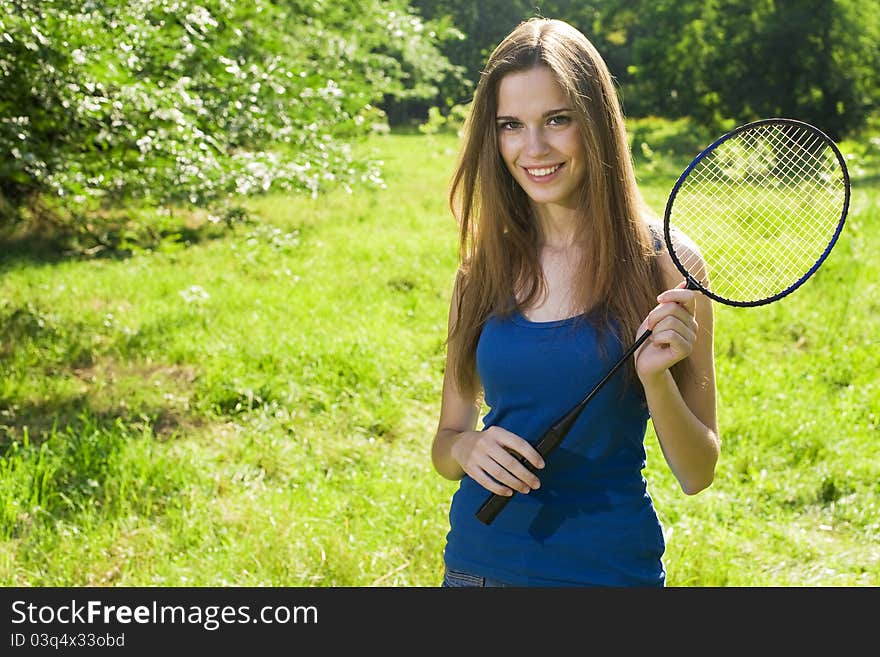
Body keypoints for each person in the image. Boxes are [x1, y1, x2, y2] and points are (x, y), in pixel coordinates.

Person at [431, 17, 720, 587]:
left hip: (608, 573)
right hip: (478, 568)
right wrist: (467, 448)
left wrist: (656, 380)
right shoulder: (482, 271)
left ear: (596, 123)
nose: (533, 148)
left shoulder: (668, 264)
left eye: (557, 120)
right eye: (511, 125)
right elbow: (445, 443)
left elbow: (697, 472)